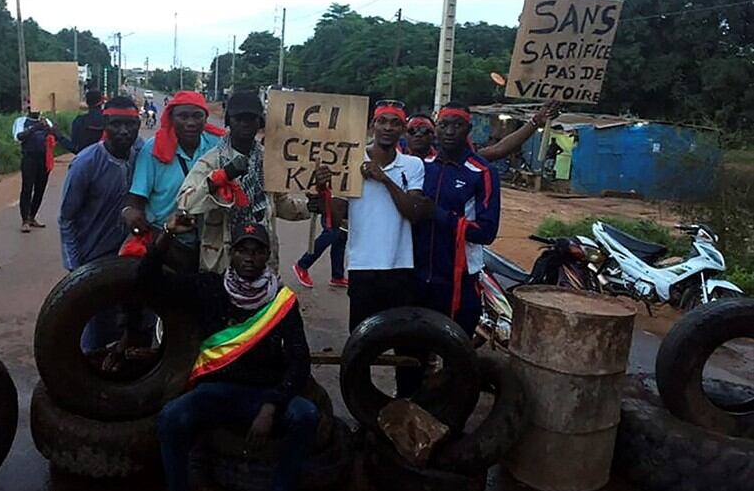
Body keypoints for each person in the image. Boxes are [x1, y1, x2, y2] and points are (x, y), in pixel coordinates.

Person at [146, 219, 316, 491]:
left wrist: (272, 406)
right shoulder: (209, 287)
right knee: (170, 417)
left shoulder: (282, 301)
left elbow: (299, 361)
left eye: (256, 251)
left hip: (265, 395)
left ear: (266, 256)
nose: (249, 258)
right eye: (242, 250)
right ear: (231, 253)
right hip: (216, 392)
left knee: (306, 415)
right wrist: (166, 234)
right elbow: (150, 282)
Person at [412, 102, 559, 337]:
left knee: (455, 348)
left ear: (468, 129)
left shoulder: (482, 172)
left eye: (457, 126)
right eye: (444, 125)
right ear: (436, 129)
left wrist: (438, 215)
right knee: (415, 348)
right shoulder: (420, 167)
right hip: (418, 276)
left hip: (459, 280)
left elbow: (486, 232)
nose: (450, 132)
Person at [326, 100, 432, 396]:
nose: (387, 128)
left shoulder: (412, 165)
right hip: (362, 268)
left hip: (400, 268)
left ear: (402, 129)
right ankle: (365, 410)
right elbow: (335, 219)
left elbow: (412, 211)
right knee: (362, 345)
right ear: (372, 125)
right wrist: (326, 189)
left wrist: (383, 179)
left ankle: (405, 406)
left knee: (405, 346)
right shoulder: (349, 161)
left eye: (394, 123)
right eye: (382, 121)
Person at [177, 91, 321, 274]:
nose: (245, 123)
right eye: (239, 118)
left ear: (259, 123)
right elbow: (185, 204)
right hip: (222, 263)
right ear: (229, 121)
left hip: (262, 262)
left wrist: (310, 207)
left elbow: (281, 205)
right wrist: (221, 177)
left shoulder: (269, 161)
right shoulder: (212, 161)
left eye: (251, 118)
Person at [59, 96, 142, 351]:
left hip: (130, 255)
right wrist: (75, 268)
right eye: (116, 124)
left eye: (130, 124)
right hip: (93, 257)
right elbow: (66, 218)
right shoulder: (86, 163)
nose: (124, 131)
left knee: (132, 322)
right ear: (105, 123)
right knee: (94, 327)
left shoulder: (141, 153)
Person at [122, 91, 225, 239]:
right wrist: (130, 211)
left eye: (197, 116)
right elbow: (137, 196)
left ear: (206, 119)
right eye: (183, 116)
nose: (190, 123)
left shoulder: (217, 145)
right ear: (171, 118)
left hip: (209, 237)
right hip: (164, 236)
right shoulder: (154, 149)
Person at [12, 107, 71, 233]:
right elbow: (19, 137)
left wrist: (51, 128)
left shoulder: (46, 121)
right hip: (29, 158)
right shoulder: (21, 121)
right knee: (27, 188)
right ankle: (25, 220)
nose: (36, 111)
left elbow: (56, 136)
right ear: (29, 109)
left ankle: (32, 216)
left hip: (44, 159)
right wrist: (35, 128)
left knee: (40, 189)